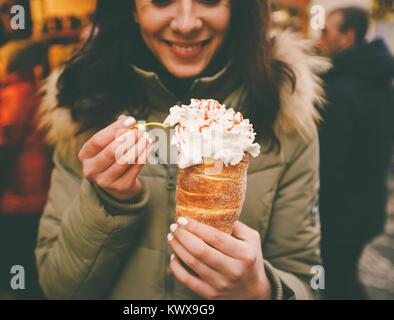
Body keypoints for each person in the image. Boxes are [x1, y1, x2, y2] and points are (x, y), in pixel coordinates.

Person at [36, 0, 330, 300]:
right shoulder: (85, 105)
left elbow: (308, 280)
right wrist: (106, 203)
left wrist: (264, 292)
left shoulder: (283, 111)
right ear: (132, 9)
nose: (186, 24)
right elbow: (57, 289)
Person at [317, 6, 394, 299]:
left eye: (326, 31)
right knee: (345, 275)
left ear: (347, 37)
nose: (319, 37)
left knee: (334, 282)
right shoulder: (379, 80)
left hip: (339, 215)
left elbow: (328, 164)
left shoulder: (340, 89)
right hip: (369, 206)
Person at [0, 40, 53, 300]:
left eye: (0, 62)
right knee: (32, 246)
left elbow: (6, 140)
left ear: (10, 65)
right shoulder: (32, 89)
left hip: (23, 188)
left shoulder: (15, 93)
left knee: (19, 249)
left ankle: (24, 292)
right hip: (38, 182)